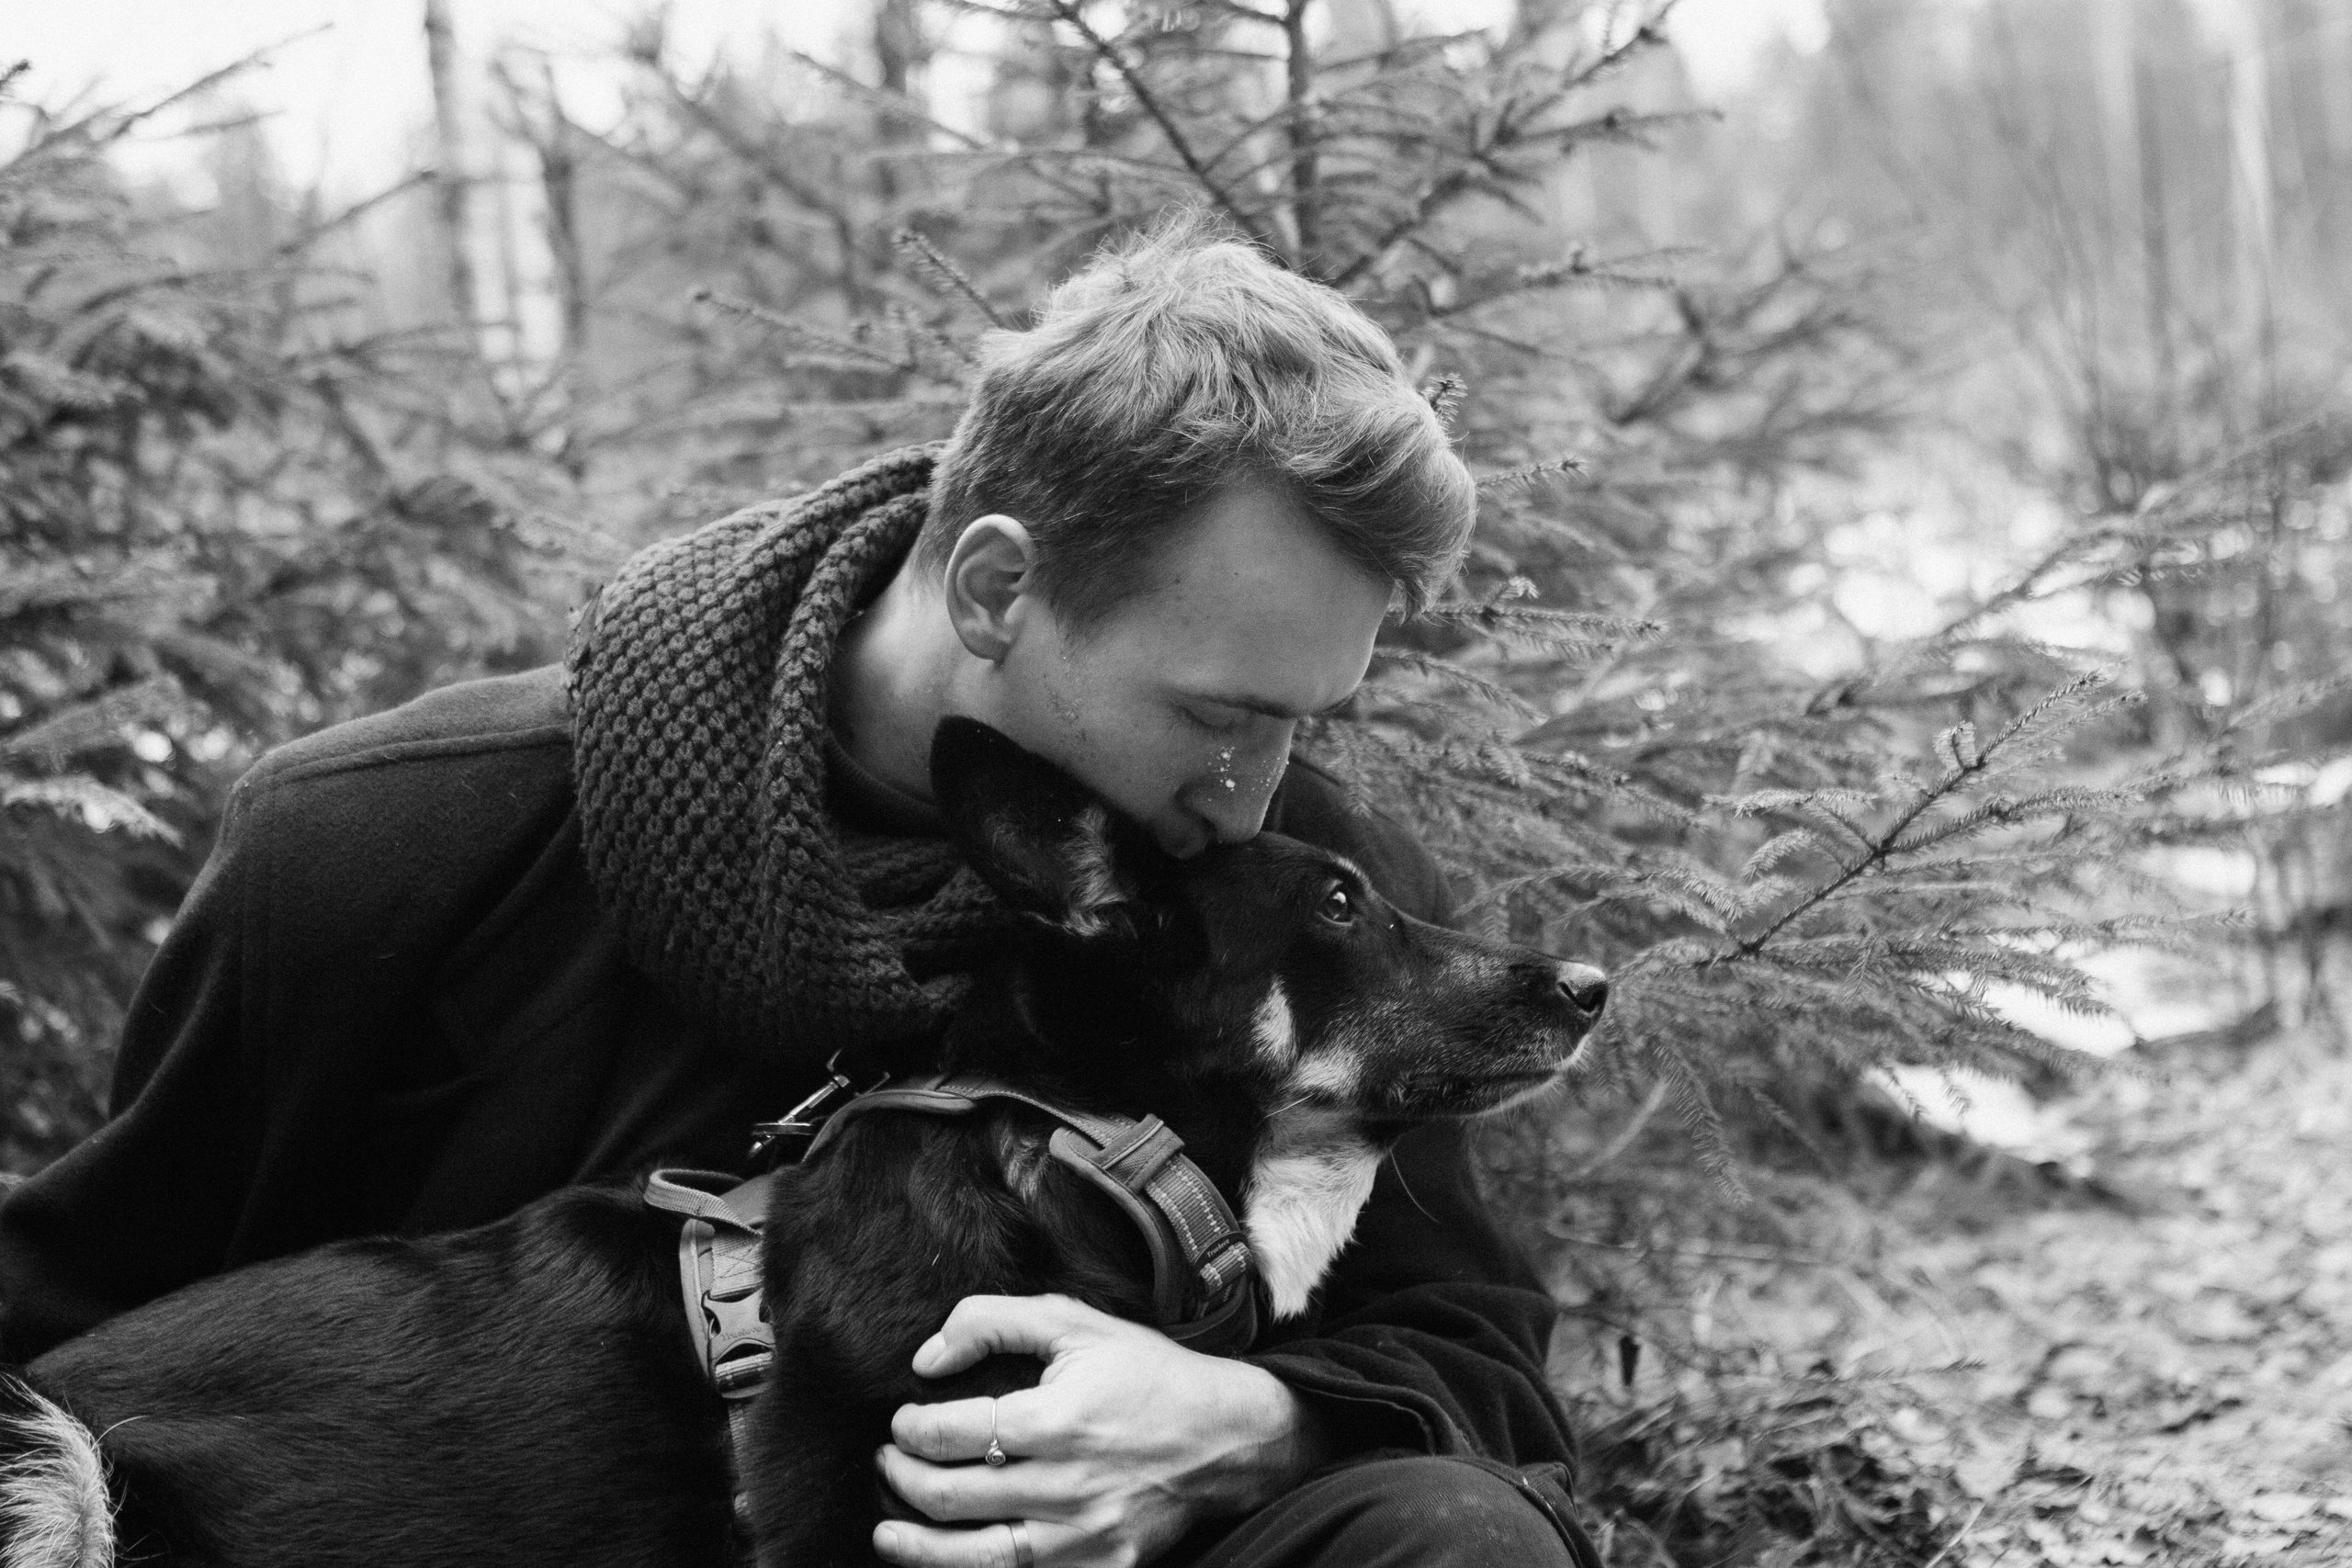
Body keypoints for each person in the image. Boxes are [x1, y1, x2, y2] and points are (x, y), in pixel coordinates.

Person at [0, 215, 1600, 1568]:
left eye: (1306, 719)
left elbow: (1480, 1365)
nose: (1255, 793)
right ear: (995, 586)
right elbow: (84, 1324)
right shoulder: (391, 843)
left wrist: (1249, 1426)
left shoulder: (1287, 889)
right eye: (1219, 713)